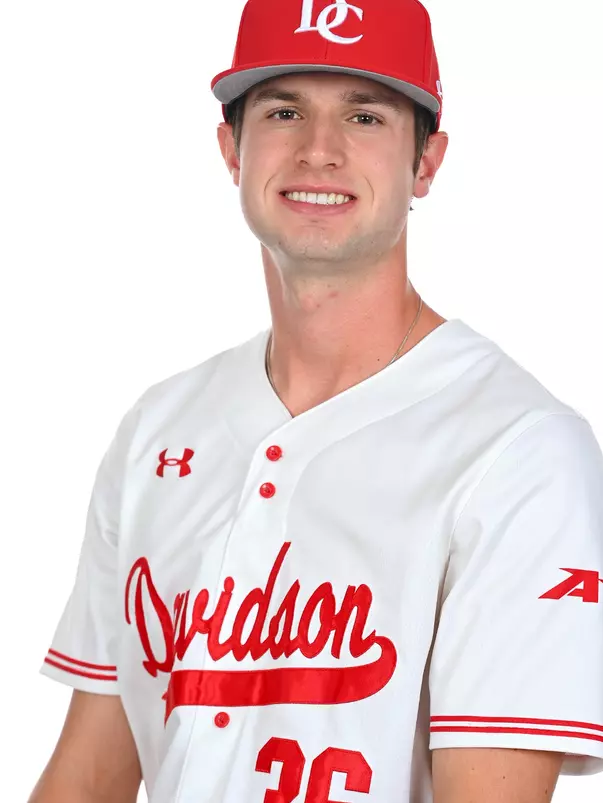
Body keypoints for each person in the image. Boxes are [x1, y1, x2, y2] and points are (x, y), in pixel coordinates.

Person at [29, 0, 603, 801]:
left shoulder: (518, 449)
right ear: (231, 146)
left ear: (426, 162)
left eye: (364, 115)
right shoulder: (158, 428)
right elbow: (87, 776)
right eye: (284, 109)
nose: (318, 150)